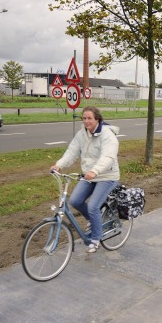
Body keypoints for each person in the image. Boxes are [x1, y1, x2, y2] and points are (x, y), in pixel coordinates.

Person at [50, 106, 120, 253]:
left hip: (107, 176)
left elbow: (108, 157)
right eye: (84, 118)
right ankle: (93, 221)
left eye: (89, 118)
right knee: (75, 201)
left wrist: (95, 171)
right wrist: (59, 165)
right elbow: (72, 151)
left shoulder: (107, 135)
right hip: (89, 175)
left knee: (93, 206)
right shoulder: (82, 134)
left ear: (97, 119)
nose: (86, 121)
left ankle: (96, 238)